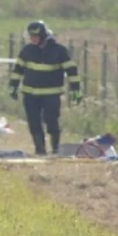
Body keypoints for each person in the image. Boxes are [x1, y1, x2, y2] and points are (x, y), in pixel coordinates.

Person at [9, 20, 82, 155]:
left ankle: (55, 148)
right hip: (30, 95)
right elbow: (18, 69)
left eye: (35, 37)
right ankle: (40, 149)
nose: (32, 39)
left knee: (51, 121)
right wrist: (13, 86)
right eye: (30, 36)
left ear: (43, 36)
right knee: (34, 122)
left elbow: (72, 71)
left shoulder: (59, 51)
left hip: (51, 95)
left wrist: (76, 90)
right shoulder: (27, 50)